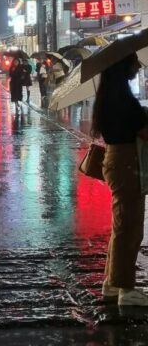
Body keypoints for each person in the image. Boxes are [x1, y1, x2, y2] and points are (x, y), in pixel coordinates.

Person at [91, 53, 148, 306]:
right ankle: (126, 289)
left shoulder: (109, 97)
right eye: (134, 60)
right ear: (122, 64)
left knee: (122, 225)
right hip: (127, 163)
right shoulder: (123, 99)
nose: (138, 64)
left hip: (118, 160)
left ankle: (113, 283)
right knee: (129, 227)